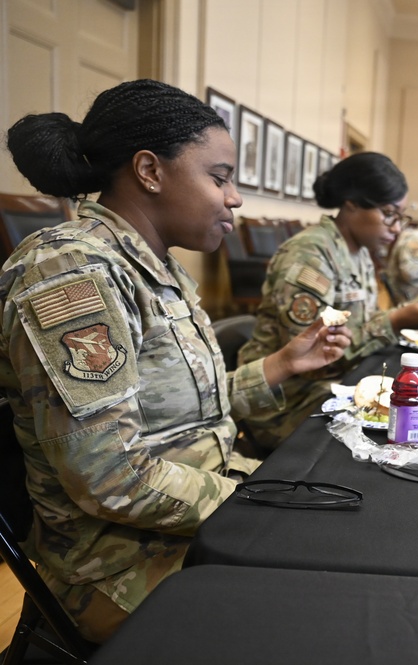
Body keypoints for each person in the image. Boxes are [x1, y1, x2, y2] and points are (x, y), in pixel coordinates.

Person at [0, 79, 352, 642]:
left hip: (182, 515)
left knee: (354, 530)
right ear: (149, 171)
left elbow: (182, 415)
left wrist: (282, 364)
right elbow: (111, 477)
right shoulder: (72, 272)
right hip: (115, 567)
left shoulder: (160, 269)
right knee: (329, 610)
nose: (234, 197)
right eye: (219, 178)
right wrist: (257, 502)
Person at [237, 152, 418, 451]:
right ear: (351, 202)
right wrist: (396, 321)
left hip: (338, 379)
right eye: (389, 214)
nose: (397, 228)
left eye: (400, 217)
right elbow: (310, 359)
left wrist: (397, 318)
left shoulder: (359, 251)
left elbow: (362, 322)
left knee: (417, 408)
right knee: (390, 437)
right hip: (287, 398)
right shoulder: (310, 255)